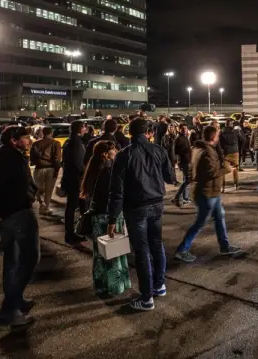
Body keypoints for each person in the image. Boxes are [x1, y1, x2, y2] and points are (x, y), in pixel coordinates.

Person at [107, 118, 173, 311]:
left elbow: (116, 191)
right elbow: (170, 176)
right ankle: (159, 285)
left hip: (136, 208)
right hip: (157, 204)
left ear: (130, 133)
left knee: (142, 251)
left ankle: (146, 298)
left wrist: (112, 218)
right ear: (148, 133)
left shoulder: (123, 155)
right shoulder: (159, 150)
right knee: (157, 244)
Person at [0, 126, 39, 329]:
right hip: (18, 215)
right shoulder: (14, 161)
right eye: (25, 138)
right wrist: (26, 199)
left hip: (6, 217)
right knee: (29, 258)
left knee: (12, 261)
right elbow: (21, 189)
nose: (29, 140)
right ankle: (11, 308)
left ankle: (15, 302)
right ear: (14, 141)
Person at [174, 125, 242, 262]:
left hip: (212, 192)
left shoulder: (199, 149)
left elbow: (201, 169)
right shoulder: (207, 152)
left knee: (219, 216)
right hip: (206, 192)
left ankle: (225, 246)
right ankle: (182, 249)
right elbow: (210, 172)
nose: (218, 137)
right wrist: (227, 169)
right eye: (217, 135)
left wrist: (223, 163)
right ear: (213, 137)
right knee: (200, 222)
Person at [79, 140, 131, 297]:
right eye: (113, 150)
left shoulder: (95, 168)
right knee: (113, 251)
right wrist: (114, 219)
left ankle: (101, 284)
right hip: (109, 216)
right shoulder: (108, 171)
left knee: (101, 253)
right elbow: (114, 196)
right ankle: (115, 285)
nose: (115, 151)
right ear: (105, 154)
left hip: (97, 215)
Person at [62, 120, 87, 245]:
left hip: (70, 178)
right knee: (72, 206)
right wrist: (85, 175)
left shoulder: (69, 141)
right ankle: (70, 233)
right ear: (79, 129)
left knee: (71, 206)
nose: (85, 129)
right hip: (75, 179)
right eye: (83, 127)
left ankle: (71, 232)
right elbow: (78, 164)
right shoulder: (76, 143)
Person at [30, 126, 62, 216]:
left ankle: (41, 203)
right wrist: (57, 170)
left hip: (39, 168)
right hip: (51, 169)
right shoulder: (56, 143)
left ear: (42, 133)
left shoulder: (36, 143)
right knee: (49, 190)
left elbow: (32, 158)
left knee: (36, 189)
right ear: (51, 133)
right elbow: (57, 159)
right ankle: (45, 208)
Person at [219, 119, 242, 190]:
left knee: (223, 170)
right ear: (231, 124)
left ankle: (223, 186)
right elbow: (242, 140)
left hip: (226, 153)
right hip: (235, 152)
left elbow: (220, 143)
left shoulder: (221, 132)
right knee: (235, 169)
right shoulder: (236, 131)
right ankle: (236, 185)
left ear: (225, 125)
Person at [173, 124, 193, 206]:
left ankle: (185, 198)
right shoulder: (178, 139)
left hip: (187, 160)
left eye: (186, 128)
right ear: (179, 129)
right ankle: (177, 197)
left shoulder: (185, 137)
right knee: (188, 180)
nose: (185, 130)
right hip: (184, 161)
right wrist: (178, 161)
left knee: (186, 179)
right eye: (183, 128)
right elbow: (175, 151)